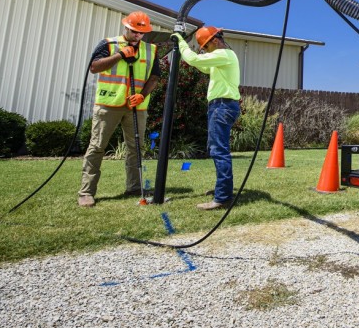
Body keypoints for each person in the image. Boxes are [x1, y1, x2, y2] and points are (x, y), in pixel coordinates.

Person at [77, 11, 160, 207]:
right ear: (126, 27)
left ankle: (133, 186)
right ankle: (86, 192)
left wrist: (142, 95)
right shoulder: (108, 44)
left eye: (142, 33)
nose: (138, 36)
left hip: (137, 107)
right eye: (134, 32)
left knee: (136, 148)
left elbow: (154, 77)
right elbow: (95, 67)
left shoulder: (151, 50)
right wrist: (120, 55)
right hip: (109, 105)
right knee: (97, 147)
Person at [171, 26, 241, 210]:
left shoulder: (225, 55)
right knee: (217, 149)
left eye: (206, 47)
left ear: (215, 41)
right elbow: (202, 65)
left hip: (222, 106)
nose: (206, 50)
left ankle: (223, 197)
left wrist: (180, 41)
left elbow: (193, 59)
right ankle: (222, 191)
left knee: (219, 151)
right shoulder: (221, 59)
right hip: (220, 106)